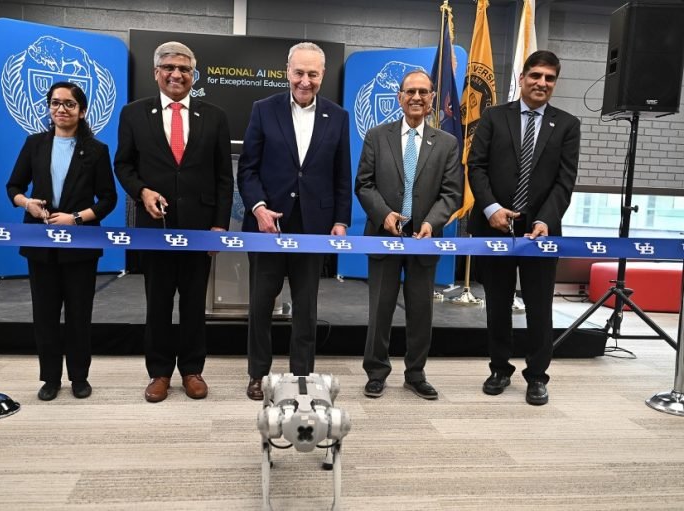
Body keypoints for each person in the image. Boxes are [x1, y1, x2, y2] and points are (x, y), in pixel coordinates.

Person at [114, 41, 233, 402]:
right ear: (156, 73)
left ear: (193, 75)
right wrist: (142, 192)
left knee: (195, 304)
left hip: (200, 229)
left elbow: (223, 177)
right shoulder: (134, 114)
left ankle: (193, 370)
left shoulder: (214, 115)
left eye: (184, 69)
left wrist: (219, 227)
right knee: (159, 303)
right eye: (169, 67)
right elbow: (124, 165)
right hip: (155, 228)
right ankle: (160, 372)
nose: (177, 74)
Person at [237, 41, 352, 400]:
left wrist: (340, 221)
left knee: (307, 308)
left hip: (313, 230)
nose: (305, 81)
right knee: (259, 306)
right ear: (287, 71)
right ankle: (258, 374)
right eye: (299, 72)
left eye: (313, 74)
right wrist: (257, 208)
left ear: (323, 75)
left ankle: (302, 374)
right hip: (267, 227)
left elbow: (341, 175)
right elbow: (248, 169)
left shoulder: (339, 116)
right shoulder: (262, 110)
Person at [468, 50, 580, 405]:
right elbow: (476, 167)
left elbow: (565, 182)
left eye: (549, 78)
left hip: (541, 235)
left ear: (554, 83)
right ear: (522, 77)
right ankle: (500, 369)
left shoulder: (567, 124)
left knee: (539, 307)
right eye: (536, 76)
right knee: (497, 304)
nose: (541, 83)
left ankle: (537, 376)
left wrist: (546, 219)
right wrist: (491, 209)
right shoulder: (492, 116)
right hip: (494, 228)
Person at [7, 81, 117, 401]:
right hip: (40, 243)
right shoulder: (34, 144)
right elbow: (13, 186)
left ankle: (79, 377)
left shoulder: (97, 150)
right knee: (45, 314)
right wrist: (26, 203)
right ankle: (50, 378)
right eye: (55, 103)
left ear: (82, 112)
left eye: (69, 104)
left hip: (80, 243)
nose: (61, 109)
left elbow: (107, 199)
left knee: (79, 314)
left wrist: (77, 218)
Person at [355, 70, 462, 400]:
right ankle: (376, 372)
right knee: (380, 309)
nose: (417, 97)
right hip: (384, 236)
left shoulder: (446, 143)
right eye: (410, 92)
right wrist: (384, 214)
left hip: (424, 240)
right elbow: (364, 183)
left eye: (424, 92)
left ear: (432, 99)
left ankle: (415, 373)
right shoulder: (376, 136)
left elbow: (452, 193)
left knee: (421, 311)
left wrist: (431, 222)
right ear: (400, 97)